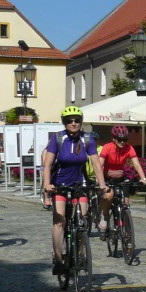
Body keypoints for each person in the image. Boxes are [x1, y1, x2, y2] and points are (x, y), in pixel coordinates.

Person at [42, 106, 106, 275]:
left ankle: (79, 253)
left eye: (77, 120)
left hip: (80, 183)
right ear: (65, 122)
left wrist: (102, 184)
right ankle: (58, 258)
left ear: (81, 122)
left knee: (83, 218)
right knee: (59, 220)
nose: (74, 123)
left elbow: (96, 164)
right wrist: (47, 185)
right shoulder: (57, 139)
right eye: (70, 120)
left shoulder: (88, 139)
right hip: (60, 184)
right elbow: (47, 164)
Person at [97, 124, 146, 236]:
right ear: (114, 139)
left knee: (125, 203)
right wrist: (99, 180)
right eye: (120, 139)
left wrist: (143, 178)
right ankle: (105, 216)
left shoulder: (129, 148)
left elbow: (137, 164)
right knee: (109, 196)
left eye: (125, 139)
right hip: (107, 178)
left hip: (120, 177)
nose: (123, 142)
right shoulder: (107, 147)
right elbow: (100, 164)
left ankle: (127, 233)